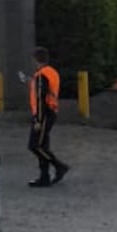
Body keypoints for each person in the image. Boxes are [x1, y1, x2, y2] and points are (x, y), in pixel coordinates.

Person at [28, 46, 68, 189]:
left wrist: (38, 119)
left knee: (35, 145)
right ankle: (44, 177)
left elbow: (40, 98)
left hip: (44, 113)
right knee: (42, 145)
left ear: (35, 59)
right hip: (50, 111)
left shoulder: (41, 75)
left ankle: (59, 166)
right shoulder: (51, 72)